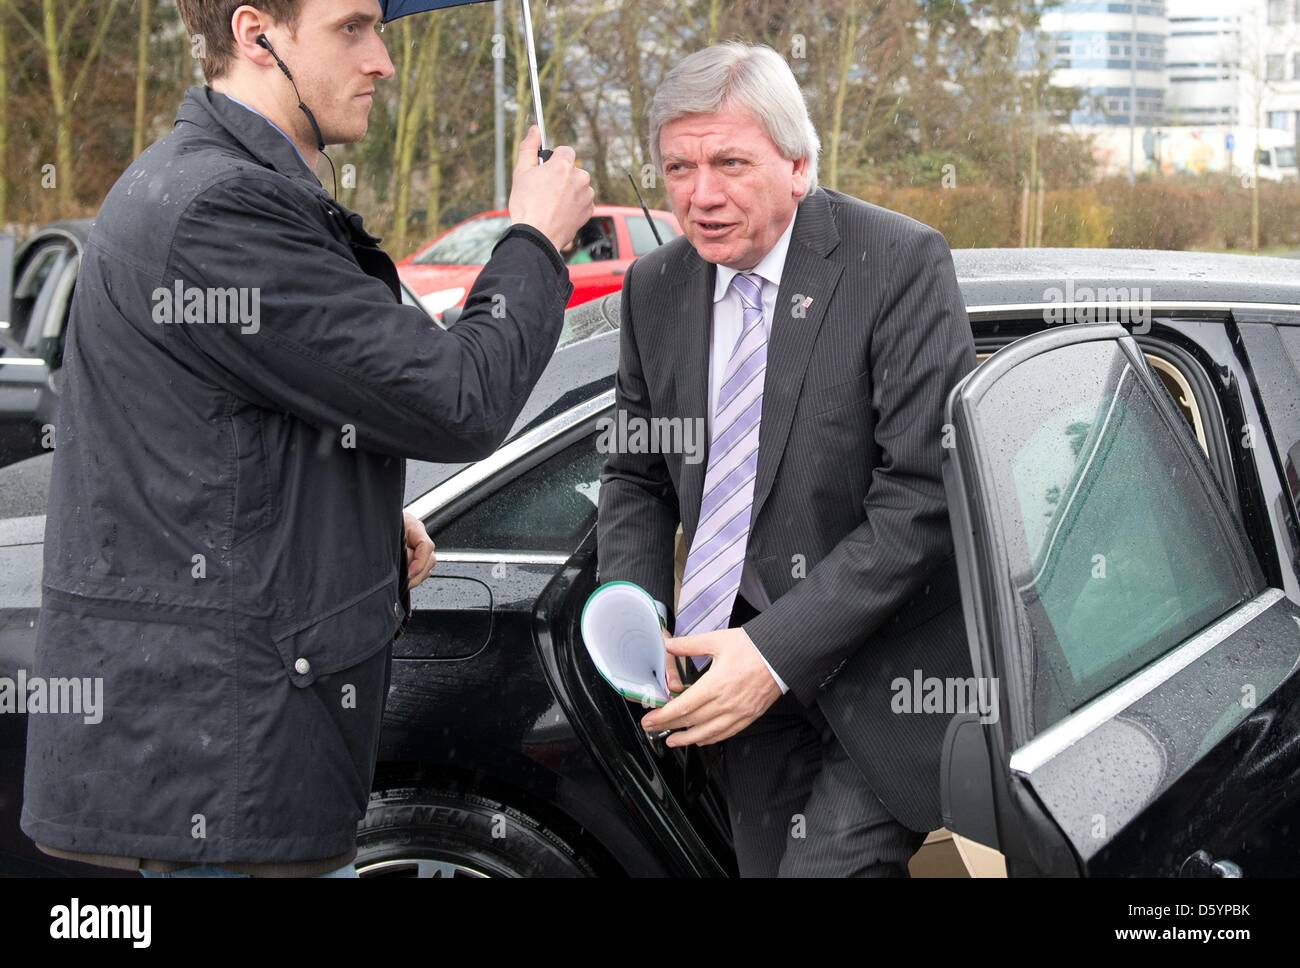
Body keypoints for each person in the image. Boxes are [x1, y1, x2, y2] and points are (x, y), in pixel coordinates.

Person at [20, 0, 593, 877]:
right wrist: (534, 241)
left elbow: (207, 443)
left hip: (225, 762)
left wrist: (350, 521)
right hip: (225, 771)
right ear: (257, 34)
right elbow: (457, 398)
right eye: (352, 28)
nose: (382, 63)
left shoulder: (198, 182)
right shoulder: (226, 209)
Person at [597, 42, 976, 877]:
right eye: (678, 168)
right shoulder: (654, 286)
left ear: (799, 165)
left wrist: (773, 653)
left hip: (890, 678)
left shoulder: (900, 264)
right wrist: (634, 610)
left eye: (730, 162)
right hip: (728, 684)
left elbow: (921, 500)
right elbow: (635, 472)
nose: (701, 196)